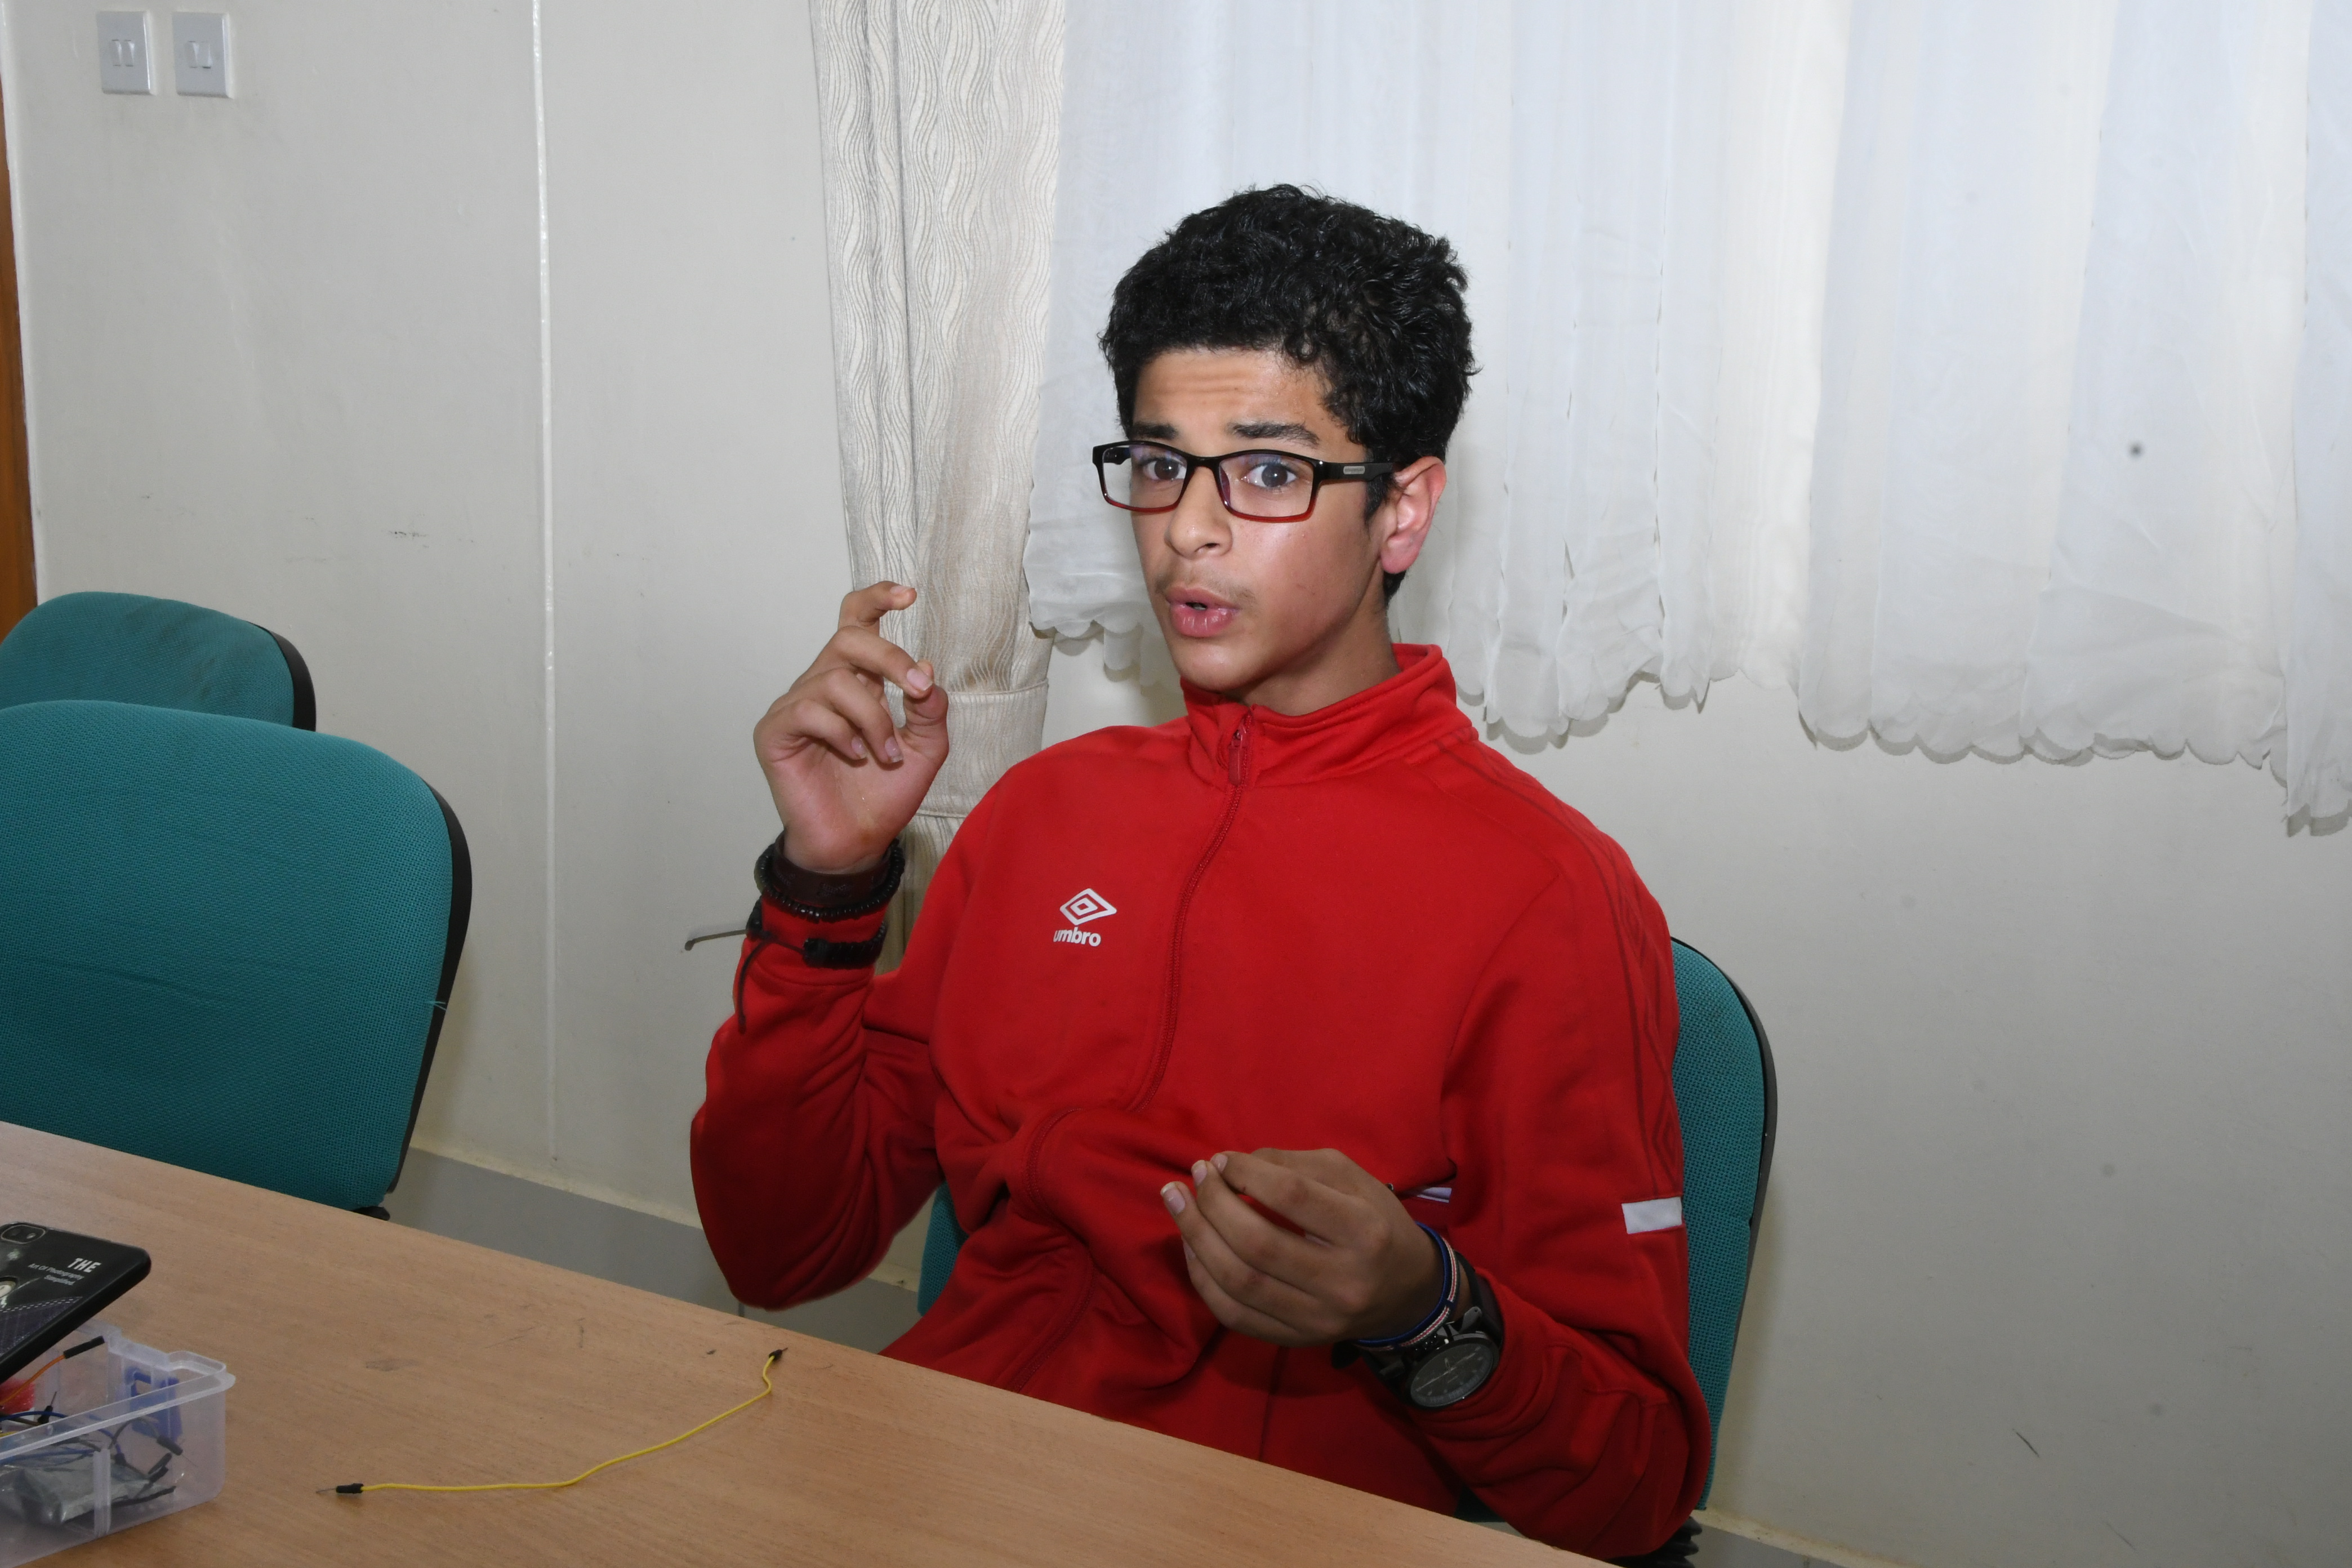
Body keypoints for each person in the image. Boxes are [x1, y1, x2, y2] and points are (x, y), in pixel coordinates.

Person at [692, 186, 1709, 1557]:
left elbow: (1636, 1485)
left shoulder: (1547, 896)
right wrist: (827, 889)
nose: (1188, 530)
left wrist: (1425, 1309)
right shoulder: (1045, 817)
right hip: (937, 1476)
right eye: (1160, 465)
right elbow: (777, 1250)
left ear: (1402, 512)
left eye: (1270, 474)